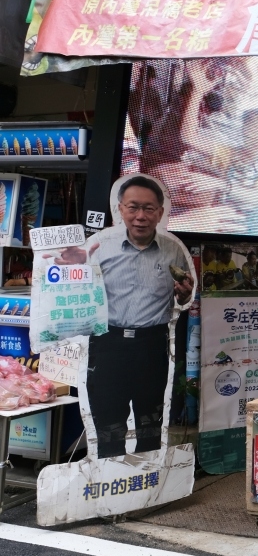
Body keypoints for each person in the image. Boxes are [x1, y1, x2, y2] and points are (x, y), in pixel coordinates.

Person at [58, 176, 194, 458]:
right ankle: (110, 480)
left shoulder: (173, 251)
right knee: (108, 418)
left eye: (149, 208)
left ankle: (146, 483)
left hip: (152, 344)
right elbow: (75, 291)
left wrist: (183, 295)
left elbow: (182, 300)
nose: (140, 216)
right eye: (133, 207)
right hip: (107, 343)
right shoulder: (98, 247)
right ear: (120, 209)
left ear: (160, 212)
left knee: (150, 418)